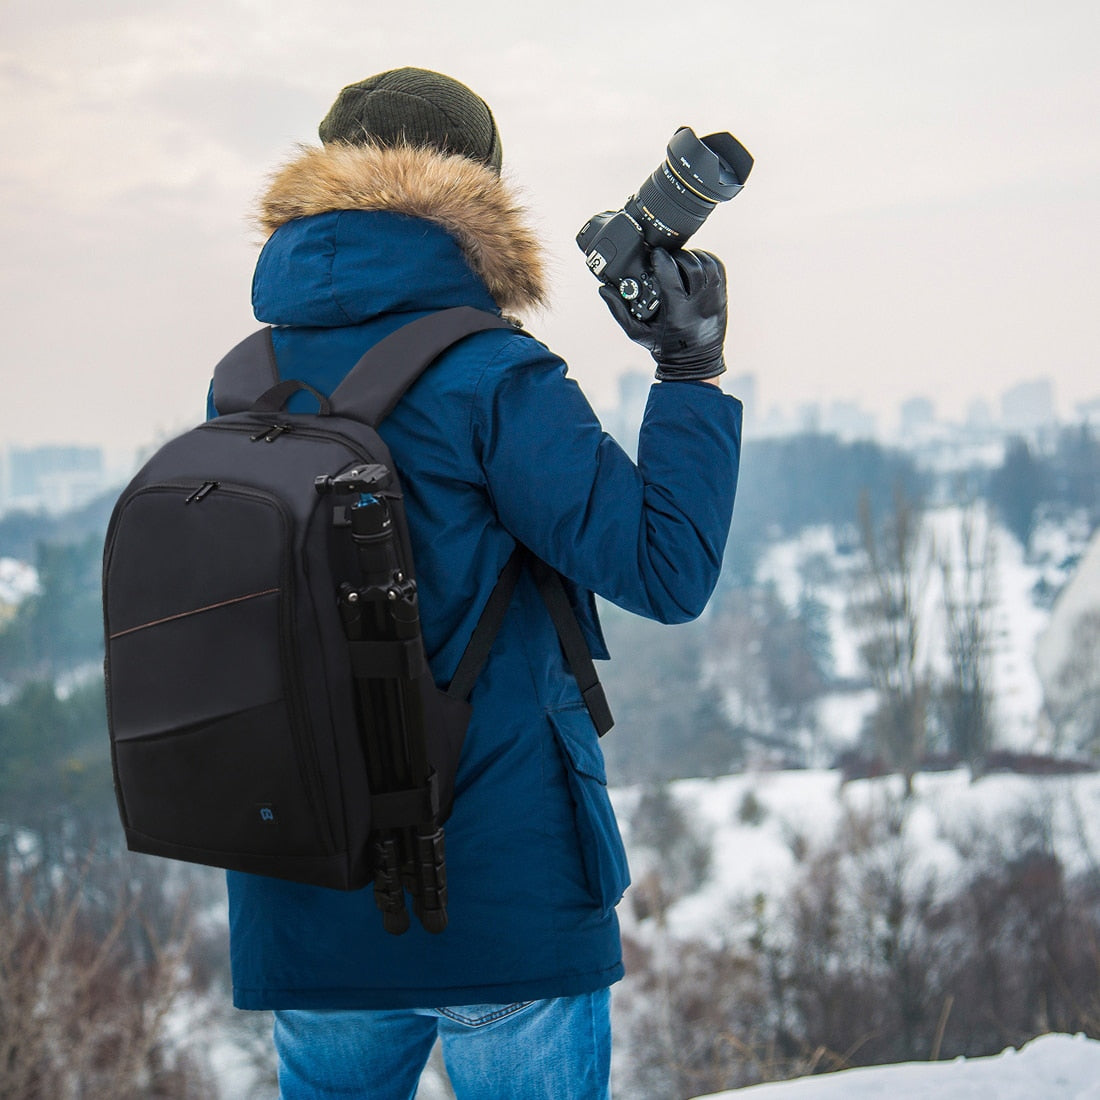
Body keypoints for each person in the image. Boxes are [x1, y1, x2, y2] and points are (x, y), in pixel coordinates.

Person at [214, 67, 743, 1099]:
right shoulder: (494, 374)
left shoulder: (242, 377)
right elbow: (665, 567)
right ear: (479, 197)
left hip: (306, 896)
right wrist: (687, 370)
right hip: (501, 893)